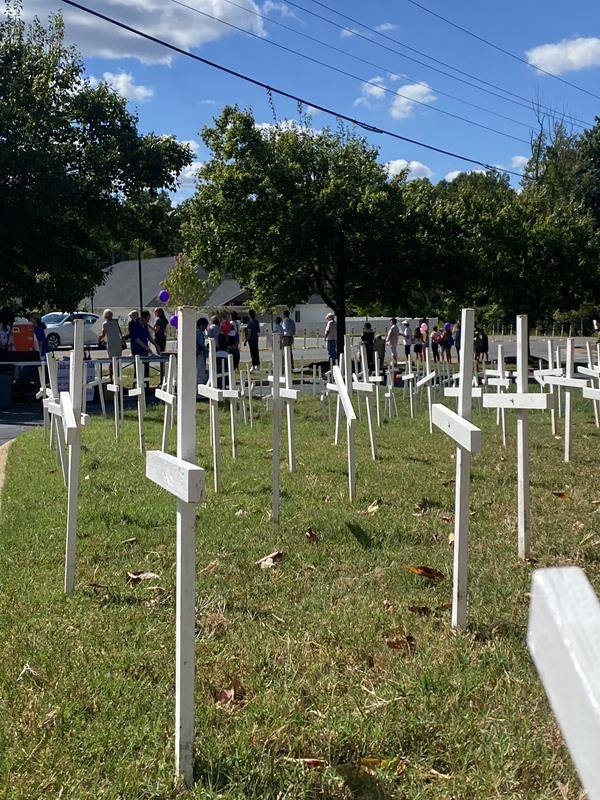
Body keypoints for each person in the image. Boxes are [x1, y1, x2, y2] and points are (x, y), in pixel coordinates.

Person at [196, 317, 208, 389]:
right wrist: (207, 350)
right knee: (200, 372)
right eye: (205, 326)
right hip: (200, 354)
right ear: (201, 325)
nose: (205, 328)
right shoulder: (199, 332)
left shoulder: (194, 331)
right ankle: (199, 388)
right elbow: (201, 344)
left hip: (196, 354)